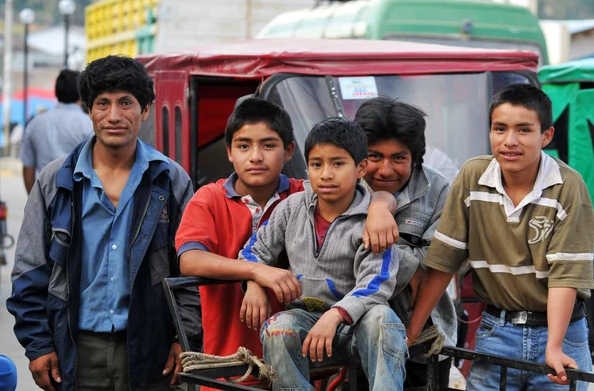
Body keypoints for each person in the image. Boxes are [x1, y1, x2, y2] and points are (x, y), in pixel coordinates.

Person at [7, 55, 200, 391]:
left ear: (145, 110)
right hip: (75, 351)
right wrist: (38, 344)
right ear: (89, 110)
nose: (114, 116)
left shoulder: (170, 180)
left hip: (151, 349)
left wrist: (185, 337)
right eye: (103, 103)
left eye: (126, 102)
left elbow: (188, 270)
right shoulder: (55, 180)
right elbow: (29, 269)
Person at [175, 98, 398, 382]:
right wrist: (256, 274)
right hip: (232, 352)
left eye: (268, 145)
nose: (256, 156)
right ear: (229, 152)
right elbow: (190, 259)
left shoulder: (302, 194)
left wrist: (381, 205)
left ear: (289, 150)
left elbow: (361, 194)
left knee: (379, 320)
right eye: (244, 146)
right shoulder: (214, 199)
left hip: (315, 347)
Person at [406, 83, 594, 390]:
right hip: (496, 332)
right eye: (499, 128)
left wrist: (555, 347)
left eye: (523, 130)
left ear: (546, 136)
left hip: (561, 333)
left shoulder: (568, 187)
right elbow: (444, 260)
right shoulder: (472, 178)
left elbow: (566, 275)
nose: (509, 141)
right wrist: (411, 331)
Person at [238, 117, 405, 390]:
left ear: (361, 168)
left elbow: (376, 283)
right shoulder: (292, 207)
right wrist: (254, 281)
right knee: (277, 327)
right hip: (305, 322)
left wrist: (336, 314)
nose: (326, 174)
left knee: (383, 319)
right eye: (317, 164)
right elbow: (253, 251)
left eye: (338, 163)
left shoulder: (375, 220)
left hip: (357, 326)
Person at [353, 97, 457, 388]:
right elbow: (335, 257)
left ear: (415, 157)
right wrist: (378, 207)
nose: (386, 170)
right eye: (375, 157)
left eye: (398, 158)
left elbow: (439, 263)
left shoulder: (438, 190)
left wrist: (380, 233)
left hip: (423, 338)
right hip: (349, 334)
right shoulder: (336, 183)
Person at [20, 69, 93, 194]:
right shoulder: (89, 124)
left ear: (56, 92)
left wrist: (34, 200)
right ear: (81, 94)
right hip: (79, 199)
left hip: (44, 195)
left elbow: (28, 167)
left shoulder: (35, 123)